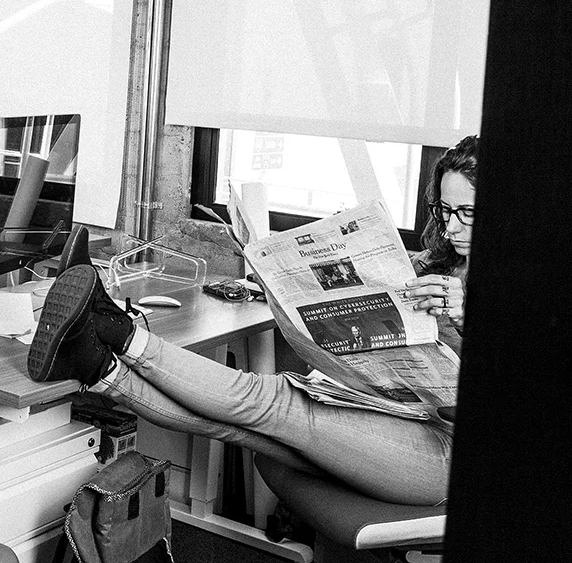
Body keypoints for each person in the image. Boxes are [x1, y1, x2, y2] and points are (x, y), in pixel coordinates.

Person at [28, 135, 478, 506]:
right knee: (237, 426)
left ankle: (115, 328)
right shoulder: (433, 264)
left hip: (452, 458)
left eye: (468, 214)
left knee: (276, 401)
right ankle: (96, 366)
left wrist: (466, 319)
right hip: (393, 414)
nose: (451, 227)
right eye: (444, 210)